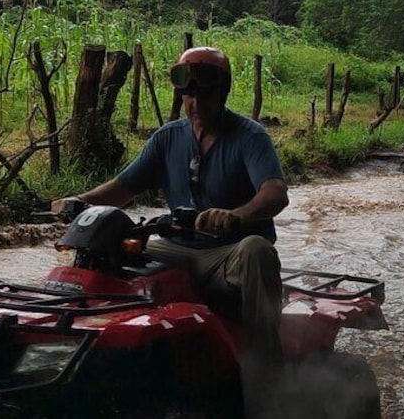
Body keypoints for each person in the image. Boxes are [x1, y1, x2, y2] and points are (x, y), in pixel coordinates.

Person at [51, 46, 289, 368]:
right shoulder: (168, 138)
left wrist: (237, 215)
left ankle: (267, 365)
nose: (196, 103)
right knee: (110, 249)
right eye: (188, 95)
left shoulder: (250, 138)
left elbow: (275, 193)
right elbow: (124, 187)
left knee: (257, 250)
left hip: (227, 253)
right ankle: (89, 346)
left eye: (205, 94)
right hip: (175, 248)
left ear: (223, 92)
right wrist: (79, 203)